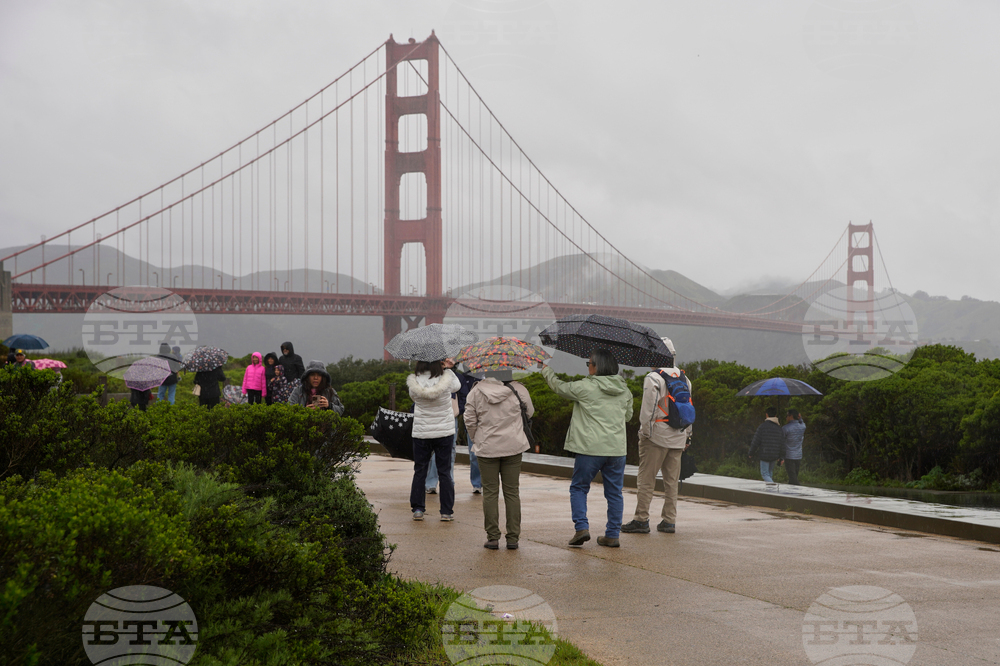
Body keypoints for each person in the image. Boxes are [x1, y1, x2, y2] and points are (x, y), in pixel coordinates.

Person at [539, 348, 633, 548]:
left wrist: (545, 369)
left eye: (589, 363)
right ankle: (612, 535)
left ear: (597, 367)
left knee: (579, 488)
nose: (588, 366)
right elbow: (628, 417)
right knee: (615, 493)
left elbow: (559, 387)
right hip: (617, 450)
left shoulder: (585, 387)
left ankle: (582, 528)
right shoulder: (625, 390)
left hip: (590, 449)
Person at [622, 338, 692, 536]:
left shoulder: (653, 378)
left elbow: (647, 412)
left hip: (656, 437)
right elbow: (689, 410)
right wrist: (687, 436)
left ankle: (641, 519)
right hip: (678, 436)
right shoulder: (685, 379)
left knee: (646, 479)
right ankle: (669, 521)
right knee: (672, 481)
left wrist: (644, 434)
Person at [465, 370, 534, 550]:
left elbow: (469, 420)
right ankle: (513, 539)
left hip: (487, 448)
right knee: (512, 492)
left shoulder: (476, 391)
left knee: (490, 492)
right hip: (513, 446)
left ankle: (493, 537)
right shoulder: (519, 389)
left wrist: (477, 438)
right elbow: (530, 412)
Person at [407, 359, 462, 522]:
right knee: (444, 472)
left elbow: (413, 398)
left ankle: (418, 509)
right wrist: (449, 368)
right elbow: (457, 386)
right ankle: (446, 511)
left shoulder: (414, 381)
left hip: (421, 432)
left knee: (420, 471)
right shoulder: (447, 378)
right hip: (444, 431)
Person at [426, 360, 482, 495]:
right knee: (434, 450)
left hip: (451, 416)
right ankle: (431, 482)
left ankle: (452, 482)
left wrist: (458, 411)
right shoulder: (427, 377)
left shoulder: (459, 377)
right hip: (432, 416)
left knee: (450, 449)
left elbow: (463, 397)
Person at [749, 406, 786, 484]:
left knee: (765, 474)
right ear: (775, 415)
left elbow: (756, 441)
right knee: (769, 473)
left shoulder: (762, 427)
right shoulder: (779, 428)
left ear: (766, 415)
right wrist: (782, 456)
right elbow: (782, 443)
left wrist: (751, 453)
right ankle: (770, 491)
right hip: (775, 454)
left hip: (764, 453)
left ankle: (773, 488)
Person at [783, 409, 806, 485]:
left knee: (792, 477)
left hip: (789, 455)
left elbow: (781, 442)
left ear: (791, 416)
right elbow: (802, 422)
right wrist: (800, 417)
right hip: (798, 455)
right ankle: (791, 493)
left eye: (787, 415)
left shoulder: (785, 428)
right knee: (794, 475)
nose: (786, 418)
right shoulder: (802, 427)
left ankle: (798, 491)